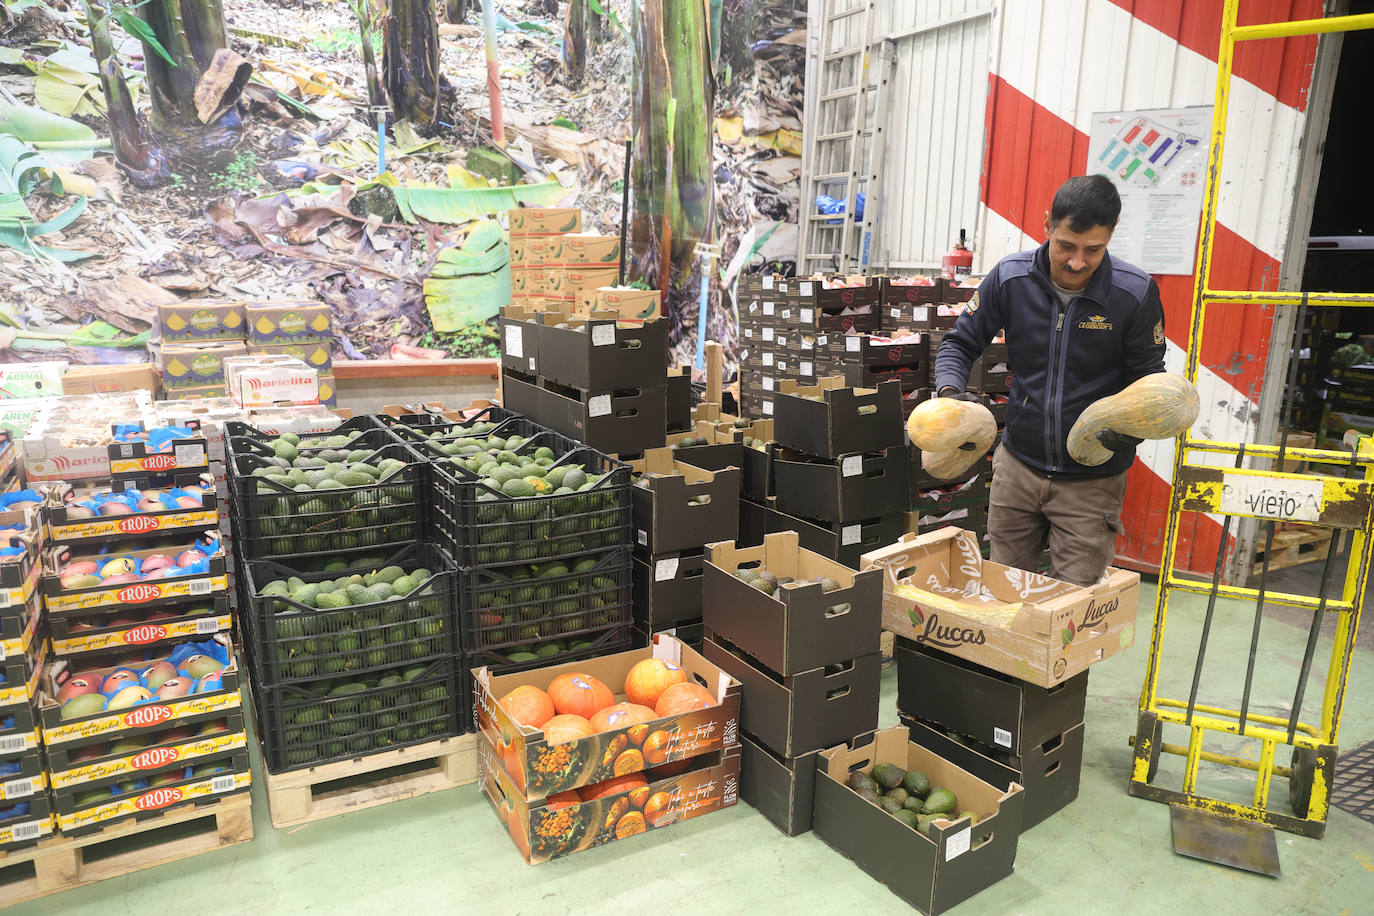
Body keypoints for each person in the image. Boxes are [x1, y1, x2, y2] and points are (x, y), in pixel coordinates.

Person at [932, 175, 1166, 586]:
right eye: (1066, 246)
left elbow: (1149, 379)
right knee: (1006, 592)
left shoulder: (1134, 293)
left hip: (1092, 483)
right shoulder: (1010, 278)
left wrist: (1131, 431)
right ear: (1047, 225)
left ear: (1110, 236)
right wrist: (951, 396)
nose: (1077, 262)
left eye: (1093, 250)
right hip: (1017, 468)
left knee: (1071, 612)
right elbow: (959, 343)